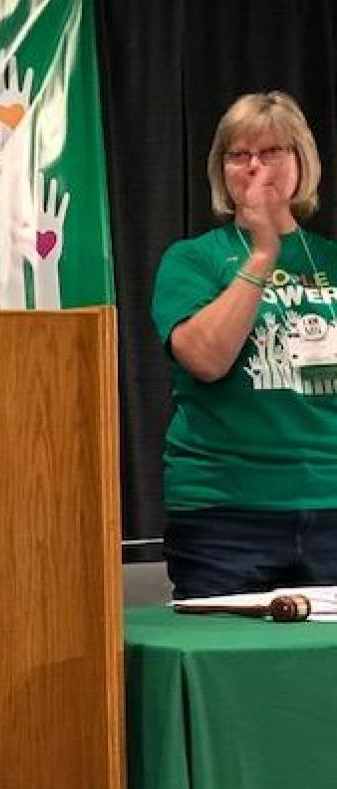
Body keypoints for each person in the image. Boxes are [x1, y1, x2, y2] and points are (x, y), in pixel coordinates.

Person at [151, 90, 337, 598]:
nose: (254, 166)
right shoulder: (192, 260)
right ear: (222, 170)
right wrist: (261, 256)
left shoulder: (331, 261)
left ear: (301, 162)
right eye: (239, 155)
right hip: (224, 518)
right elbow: (207, 360)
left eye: (272, 151)